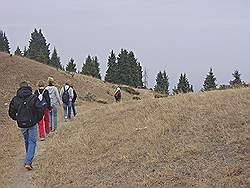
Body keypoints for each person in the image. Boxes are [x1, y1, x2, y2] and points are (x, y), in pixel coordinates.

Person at [8, 81, 43, 170]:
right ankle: (28, 161)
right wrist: (37, 120)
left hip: (22, 124)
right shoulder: (33, 97)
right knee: (32, 141)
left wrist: (17, 119)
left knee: (27, 141)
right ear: (28, 87)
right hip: (32, 123)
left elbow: (11, 112)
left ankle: (28, 158)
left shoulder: (15, 99)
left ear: (19, 88)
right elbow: (40, 110)